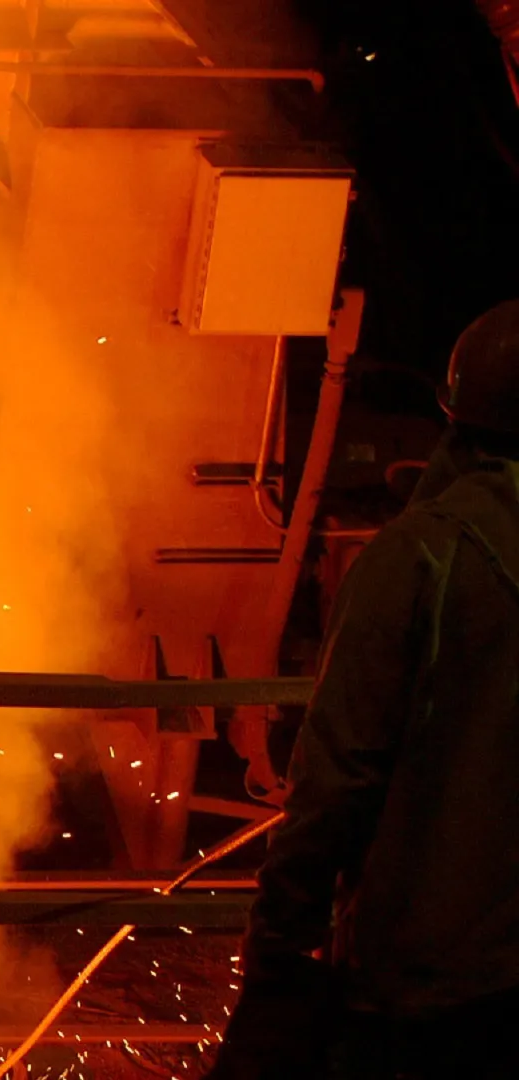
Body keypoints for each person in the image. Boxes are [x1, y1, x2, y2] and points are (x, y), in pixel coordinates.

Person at [207, 299, 519, 1080]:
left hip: (428, 985)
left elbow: (336, 778)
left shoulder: (422, 559)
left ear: (452, 410)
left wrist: (279, 949)